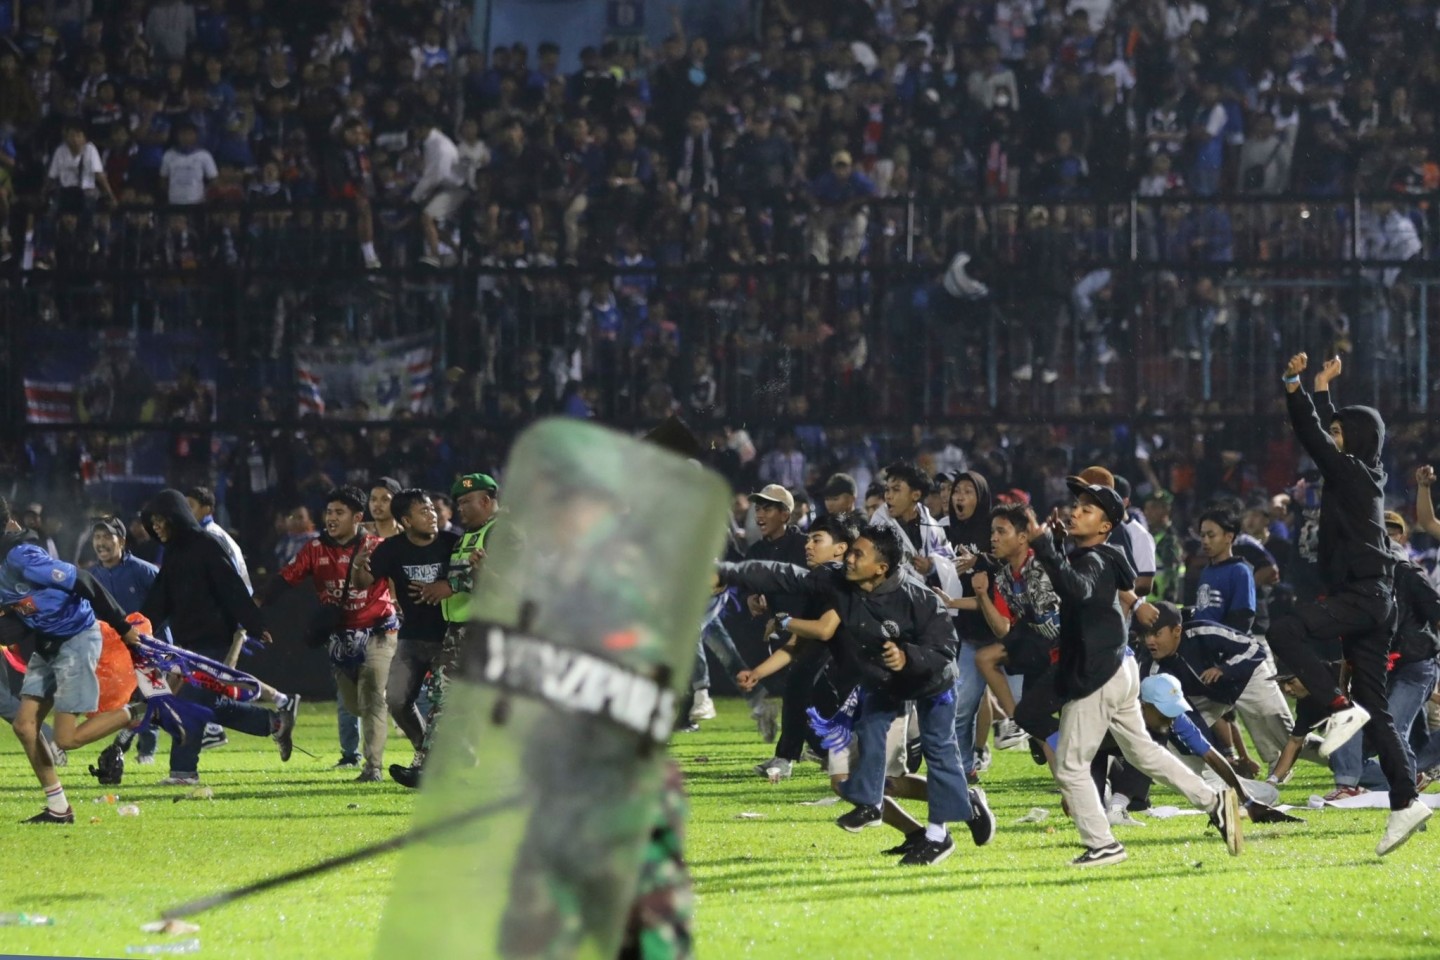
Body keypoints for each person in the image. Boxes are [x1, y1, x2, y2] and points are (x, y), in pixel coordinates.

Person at [717, 523, 995, 866]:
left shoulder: (916, 596)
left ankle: (938, 833)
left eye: (856, 553)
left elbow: (945, 647)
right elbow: (783, 574)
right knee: (866, 746)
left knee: (932, 756)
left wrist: (908, 657)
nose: (848, 558)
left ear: (881, 567)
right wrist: (729, 572)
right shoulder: (836, 580)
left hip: (930, 682)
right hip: (879, 682)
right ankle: (877, 808)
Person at [1030, 477, 1241, 867]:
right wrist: (1057, 546)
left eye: (1087, 508)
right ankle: (1215, 801)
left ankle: (1103, 844)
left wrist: (1044, 546)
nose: (1075, 511)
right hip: (1120, 666)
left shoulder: (1092, 559)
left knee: (1072, 766)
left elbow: (1076, 589)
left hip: (1099, 672)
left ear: (1106, 526)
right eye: (1076, 504)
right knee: (1142, 752)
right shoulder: (1100, 555)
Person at [1267, 353, 1429, 855]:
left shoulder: (1354, 475)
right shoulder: (1361, 474)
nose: (1331, 439)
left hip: (1361, 594)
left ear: (1354, 441)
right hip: (1372, 597)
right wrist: (1321, 388)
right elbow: (1325, 436)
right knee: (1376, 706)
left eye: (1341, 433)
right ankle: (1406, 802)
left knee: (1284, 631)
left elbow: (1313, 437)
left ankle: (1337, 710)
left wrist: (1296, 387)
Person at [1, 497, 146, 823]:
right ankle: (58, 809)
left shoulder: (21, 556)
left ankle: (143, 709)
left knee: (66, 738)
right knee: (25, 726)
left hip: (75, 640)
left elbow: (84, 580)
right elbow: (14, 619)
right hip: (48, 644)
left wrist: (123, 627)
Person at [139, 490, 296, 786]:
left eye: (161, 520)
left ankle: (184, 773)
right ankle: (275, 723)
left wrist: (254, 622)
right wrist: (139, 626)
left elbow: (231, 587)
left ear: (175, 517)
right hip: (191, 645)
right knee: (212, 705)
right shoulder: (173, 552)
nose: (156, 526)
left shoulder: (206, 545)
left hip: (215, 642)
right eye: (153, 522)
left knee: (189, 704)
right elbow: (160, 598)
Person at [259, 486, 397, 783]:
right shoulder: (314, 549)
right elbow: (286, 579)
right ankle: (389, 710)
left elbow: (397, 577)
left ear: (358, 517)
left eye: (339, 513)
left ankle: (372, 767)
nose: (331, 518)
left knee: (372, 694)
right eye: (329, 512)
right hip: (341, 637)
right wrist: (257, 604)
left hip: (379, 630)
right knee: (353, 704)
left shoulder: (377, 546)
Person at [390, 473, 507, 788]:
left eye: (467, 502)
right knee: (447, 699)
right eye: (458, 502)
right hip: (460, 630)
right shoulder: (469, 535)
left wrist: (451, 585)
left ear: (486, 500)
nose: (460, 509)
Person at [1326, 513, 1440, 798]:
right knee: (1345, 741)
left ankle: (1403, 790)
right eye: (1380, 534)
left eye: (1391, 533)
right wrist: (1344, 682)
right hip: (1378, 669)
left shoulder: (1410, 574)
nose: (1385, 540)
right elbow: (1352, 636)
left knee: (1392, 731)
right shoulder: (1360, 580)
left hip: (1415, 666)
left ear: (1401, 537)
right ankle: (1360, 783)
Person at [350, 489, 456, 767]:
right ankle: (427, 752)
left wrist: (448, 587)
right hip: (413, 638)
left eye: (432, 508)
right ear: (406, 521)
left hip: (451, 638)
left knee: (448, 704)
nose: (432, 515)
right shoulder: (392, 549)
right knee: (396, 700)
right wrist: (357, 567)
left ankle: (445, 759)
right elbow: (362, 583)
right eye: (424, 511)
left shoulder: (452, 543)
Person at [1136, 601, 1293, 773]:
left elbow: (1254, 648)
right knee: (1174, 732)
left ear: (1177, 630)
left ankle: (1324, 755)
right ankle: (1214, 783)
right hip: (1207, 693)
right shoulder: (1152, 668)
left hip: (1246, 677)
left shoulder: (1202, 631)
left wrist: (1225, 669)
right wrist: (1210, 752)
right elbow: (1182, 721)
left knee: (1289, 737)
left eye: (1157, 634)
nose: (1150, 641)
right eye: (1147, 634)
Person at [740, 483, 812, 779]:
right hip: (785, 633)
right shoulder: (756, 551)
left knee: (801, 689)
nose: (760, 513)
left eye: (768, 507)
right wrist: (752, 598)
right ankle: (820, 748)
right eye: (758, 507)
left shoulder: (805, 545)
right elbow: (751, 589)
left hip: (817, 631)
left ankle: (785, 757)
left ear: (786, 514)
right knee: (804, 693)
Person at [88, 517, 161, 774]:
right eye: (97, 537)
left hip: (145, 648)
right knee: (127, 702)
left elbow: (166, 603)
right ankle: (124, 747)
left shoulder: (143, 571)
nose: (101, 542)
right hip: (112, 653)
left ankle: (146, 750)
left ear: (122, 540)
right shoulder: (92, 576)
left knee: (151, 695)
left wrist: (161, 643)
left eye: (107, 537)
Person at [1194, 507, 1257, 632]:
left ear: (1229, 537)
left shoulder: (1239, 571)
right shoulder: (1207, 571)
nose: (1205, 541)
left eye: (1211, 535)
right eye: (1202, 535)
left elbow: (1243, 618)